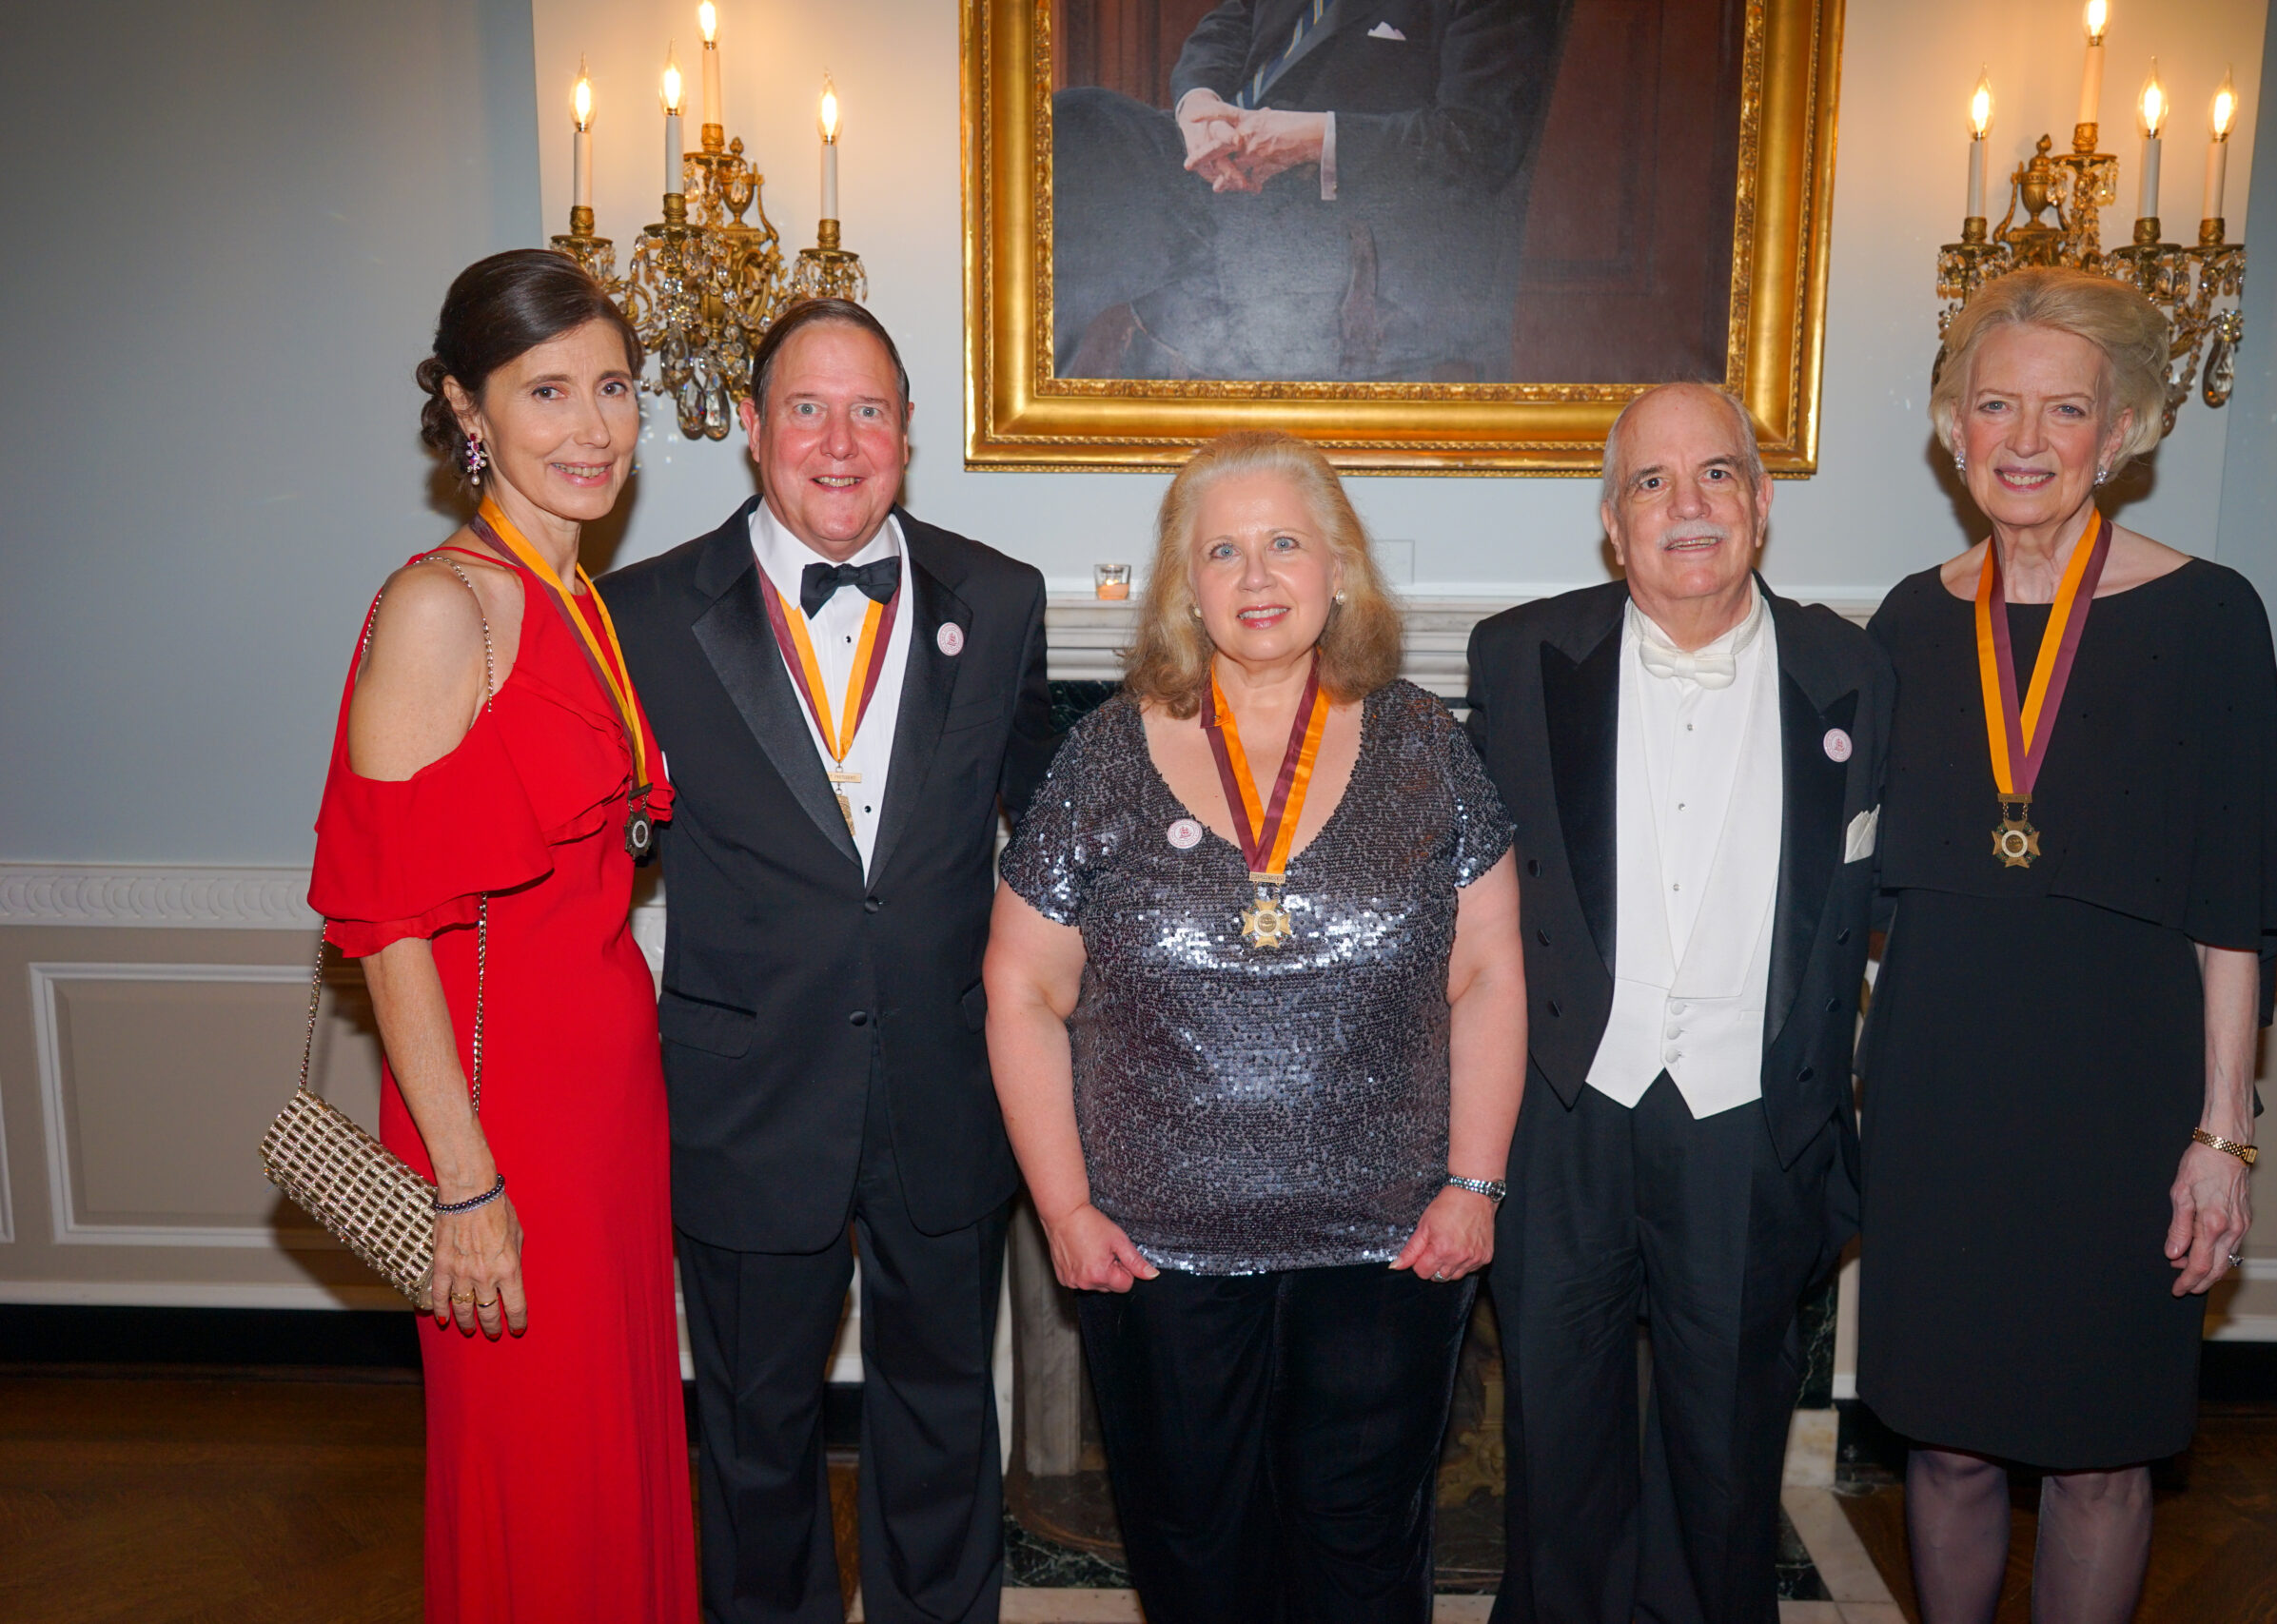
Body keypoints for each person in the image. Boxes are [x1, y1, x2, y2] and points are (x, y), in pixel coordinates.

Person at [985, 430, 1526, 1623]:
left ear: (1339, 567)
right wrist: (1064, 1210)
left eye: (1285, 542)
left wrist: (1474, 1186)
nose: (1257, 575)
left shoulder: (1427, 746)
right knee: (1194, 1561)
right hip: (1155, 1256)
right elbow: (1020, 987)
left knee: (1363, 1562)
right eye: (1222, 550)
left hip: (1388, 1247)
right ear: (1186, 585)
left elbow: (1489, 971)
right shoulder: (1103, 755)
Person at [1858, 267, 2277, 1624]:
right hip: (1938, 1093)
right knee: (1942, 1441)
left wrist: (2222, 1133)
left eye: (2065, 409)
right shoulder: (1907, 621)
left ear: (2120, 435)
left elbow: (2232, 904)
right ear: (1952, 426)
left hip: (2122, 1099)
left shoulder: (2210, 617)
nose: (2025, 438)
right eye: (1994, 404)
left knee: (2104, 1456)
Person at [598, 298, 1057, 1624]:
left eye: (869, 412)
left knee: (948, 1415)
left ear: (908, 433)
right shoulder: (641, 612)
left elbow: (1051, 842)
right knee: (755, 1433)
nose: (839, 443)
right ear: (752, 428)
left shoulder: (1001, 598)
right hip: (747, 1094)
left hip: (946, 1083)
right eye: (807, 409)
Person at [305, 249, 696, 1622]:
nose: (594, 427)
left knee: (610, 1455)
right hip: (502, 1120)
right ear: (470, 408)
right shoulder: (443, 606)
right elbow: (387, 923)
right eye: (547, 391)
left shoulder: (577, 595)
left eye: (615, 387)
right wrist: (466, 1184)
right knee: (537, 1472)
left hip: (608, 1106)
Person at [1464, 382, 1894, 1624]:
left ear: (1759, 503)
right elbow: (1461, 897)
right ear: (1613, 522)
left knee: (1726, 1453)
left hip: (1751, 1118)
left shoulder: (1854, 669)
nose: (1686, 505)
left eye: (1716, 474)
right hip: (1563, 1110)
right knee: (1555, 1438)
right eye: (1651, 482)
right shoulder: (1517, 656)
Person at [1051, 0, 1558, 382]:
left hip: (1341, 207)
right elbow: (1229, 25)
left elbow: (1477, 141)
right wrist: (1200, 106)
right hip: (1223, 168)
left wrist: (1313, 141)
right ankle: (1039, 412)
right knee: (1078, 125)